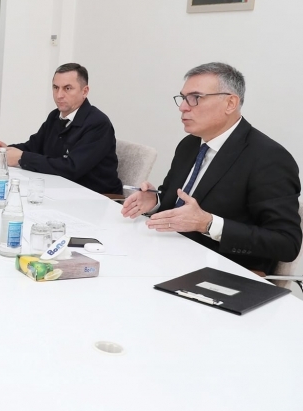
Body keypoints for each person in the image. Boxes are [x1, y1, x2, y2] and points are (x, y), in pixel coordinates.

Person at [121, 63, 301, 275]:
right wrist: (155, 201)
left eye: (195, 98)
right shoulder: (190, 144)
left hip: (221, 270)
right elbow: (178, 202)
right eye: (183, 98)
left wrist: (208, 224)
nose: (183, 107)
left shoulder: (268, 158)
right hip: (168, 252)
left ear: (230, 103)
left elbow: (286, 243)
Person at [0, 63, 122, 195]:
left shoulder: (98, 123)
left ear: (84, 91)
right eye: (55, 87)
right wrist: (5, 150)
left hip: (95, 197)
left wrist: (21, 158)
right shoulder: (55, 116)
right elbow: (33, 146)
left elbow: (71, 168)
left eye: (67, 88)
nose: (59, 95)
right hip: (60, 190)